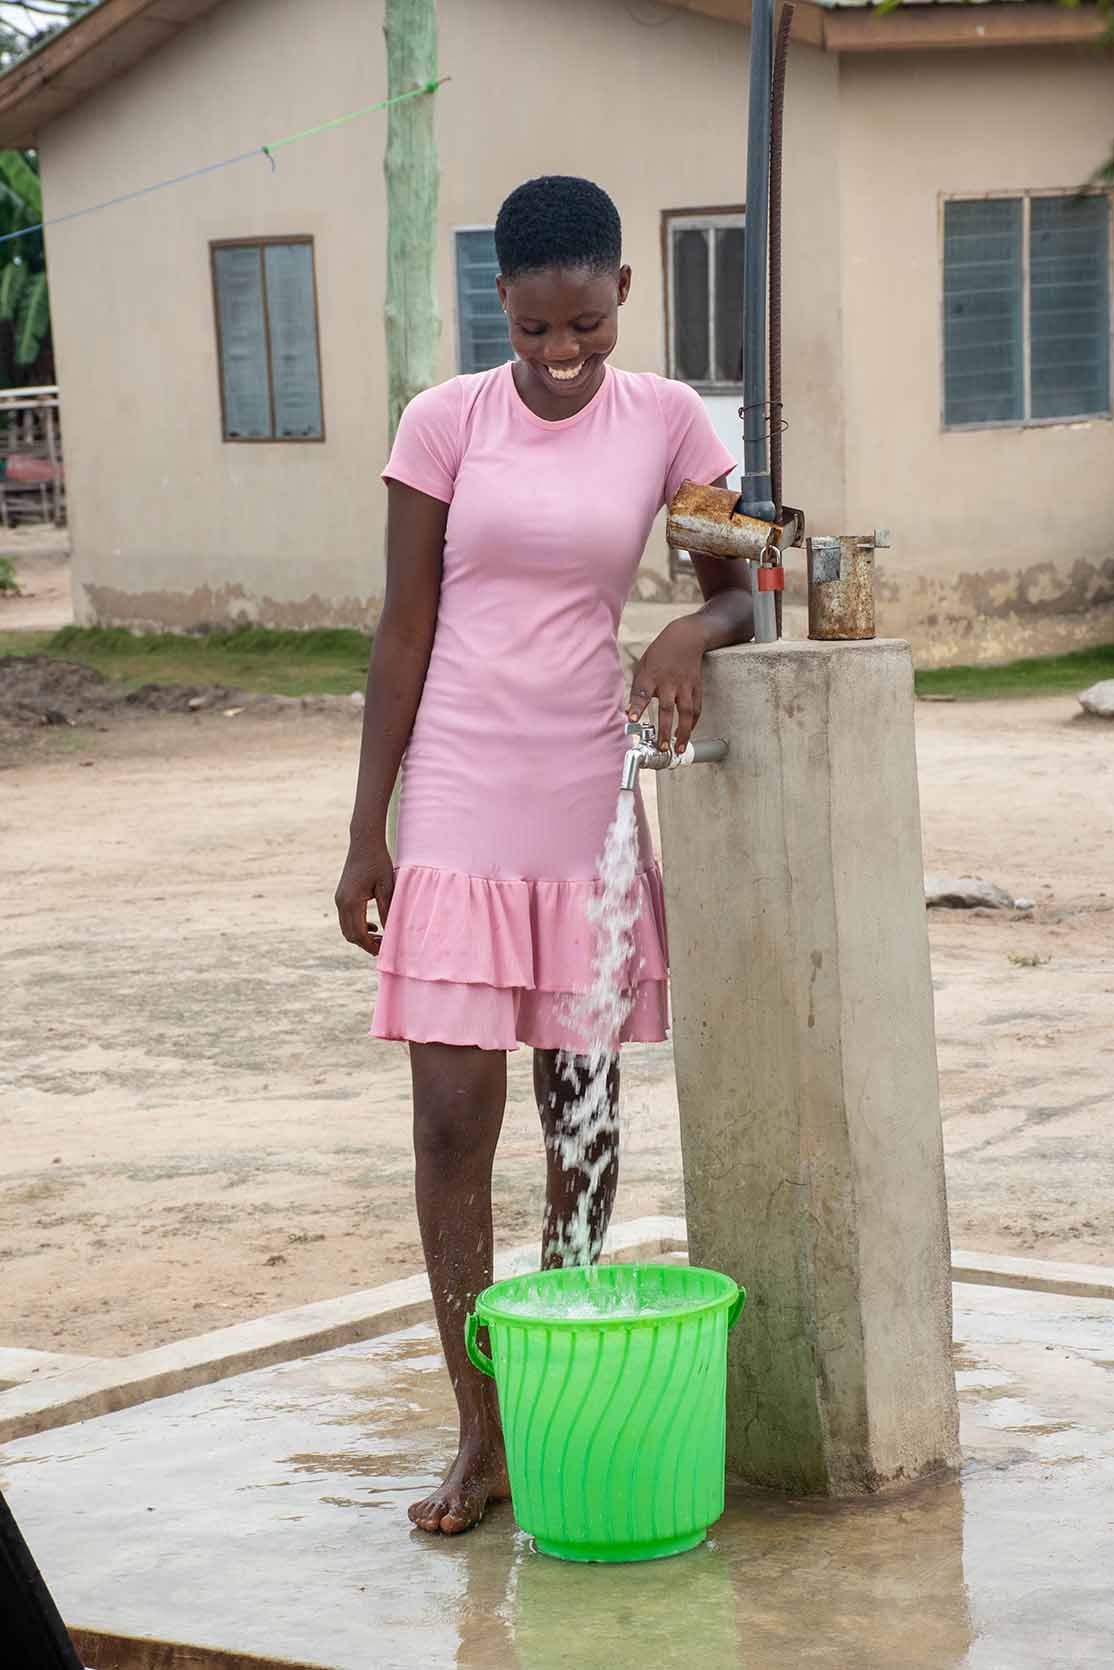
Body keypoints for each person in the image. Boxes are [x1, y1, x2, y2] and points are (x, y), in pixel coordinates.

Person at [335, 175, 753, 1536]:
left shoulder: (672, 421)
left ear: (620, 293)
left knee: (585, 1112)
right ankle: (482, 1422)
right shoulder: (443, 421)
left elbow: (746, 581)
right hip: (458, 789)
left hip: (585, 792)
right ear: (498, 312)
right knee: (454, 1116)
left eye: (582, 326)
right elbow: (403, 627)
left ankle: (566, 1383)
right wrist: (366, 829)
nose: (562, 357)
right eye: (533, 333)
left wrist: (692, 632)